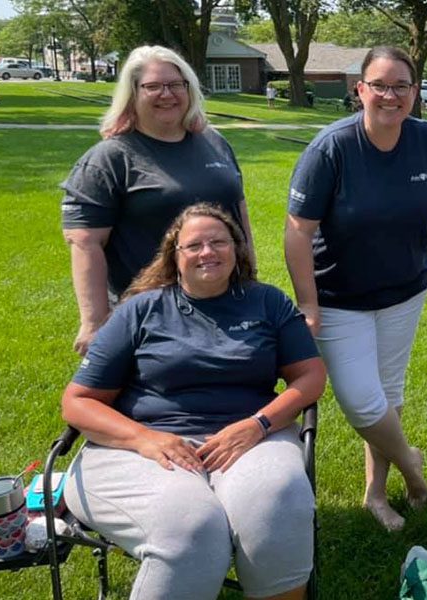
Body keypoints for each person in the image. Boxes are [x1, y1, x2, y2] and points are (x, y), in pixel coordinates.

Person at [62, 204, 326, 600]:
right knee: (191, 527)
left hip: (250, 437)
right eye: (194, 245)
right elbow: (77, 401)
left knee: (277, 501)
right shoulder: (140, 310)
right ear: (175, 256)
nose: (208, 251)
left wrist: (259, 424)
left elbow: (311, 376)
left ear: (237, 250)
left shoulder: (267, 303)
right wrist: (145, 439)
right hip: (147, 447)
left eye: (219, 241)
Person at [285, 46, 427, 531]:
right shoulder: (331, 148)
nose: (390, 95)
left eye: (401, 86)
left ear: (415, 93)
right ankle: (411, 463)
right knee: (361, 400)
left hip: (405, 289)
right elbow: (297, 231)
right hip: (339, 298)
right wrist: (307, 302)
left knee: (388, 394)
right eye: (380, 85)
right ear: (361, 91)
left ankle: (375, 493)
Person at [61, 45, 256, 357]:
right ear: (132, 93)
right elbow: (85, 243)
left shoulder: (215, 143)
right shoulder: (109, 158)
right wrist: (94, 322)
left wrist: (251, 282)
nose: (167, 94)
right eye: (153, 86)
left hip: (227, 302)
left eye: (176, 85)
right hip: (148, 312)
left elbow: (239, 215)